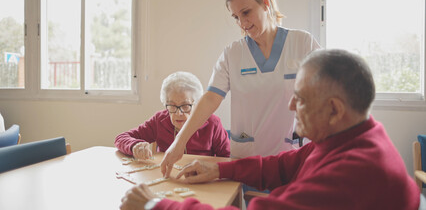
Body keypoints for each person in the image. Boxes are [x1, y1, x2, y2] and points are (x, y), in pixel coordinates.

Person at [120, 49, 420, 210]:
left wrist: (155, 204)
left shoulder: (355, 172)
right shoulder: (349, 137)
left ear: (334, 109)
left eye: (300, 98)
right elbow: (281, 165)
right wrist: (220, 171)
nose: (290, 106)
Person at [161, 0, 321, 178]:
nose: (242, 23)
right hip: (248, 158)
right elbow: (210, 99)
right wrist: (179, 142)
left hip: (292, 156)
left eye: (246, 12)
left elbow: (329, 90)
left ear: (265, 4)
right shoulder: (233, 54)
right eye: (236, 17)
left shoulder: (302, 43)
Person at [115, 71, 230, 160]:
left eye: (185, 106)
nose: (178, 113)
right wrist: (135, 145)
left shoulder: (212, 123)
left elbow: (227, 158)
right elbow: (120, 138)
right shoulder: (160, 120)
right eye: (172, 106)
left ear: (197, 104)